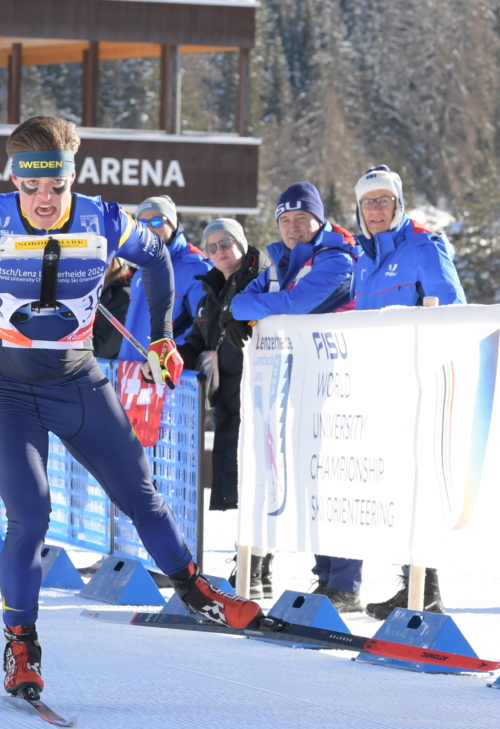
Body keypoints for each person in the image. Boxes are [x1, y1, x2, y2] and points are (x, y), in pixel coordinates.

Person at [0, 116, 263, 699]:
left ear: (72, 178)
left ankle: (196, 591)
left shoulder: (105, 219)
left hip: (78, 379)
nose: (44, 200)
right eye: (32, 187)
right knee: (31, 516)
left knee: (141, 494)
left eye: (56, 187)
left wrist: (163, 334)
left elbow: (159, 258)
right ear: (14, 178)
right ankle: (21, 647)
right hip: (8, 387)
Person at [227, 182, 361, 611]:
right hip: (299, 382)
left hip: (341, 383)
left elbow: (301, 303)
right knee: (310, 481)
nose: (293, 227)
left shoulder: (336, 257)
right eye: (285, 220)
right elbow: (239, 306)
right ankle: (326, 576)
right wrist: (273, 303)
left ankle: (345, 582)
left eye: (301, 219)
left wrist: (274, 304)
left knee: (337, 480)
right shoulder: (279, 260)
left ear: (318, 221)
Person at [341, 165, 467, 620]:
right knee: (396, 488)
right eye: (367, 202)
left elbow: (451, 309)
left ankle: (426, 589)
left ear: (399, 204)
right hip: (378, 385)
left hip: (419, 383)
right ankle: (411, 582)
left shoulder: (423, 247)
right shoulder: (363, 256)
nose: (375, 210)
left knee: (420, 486)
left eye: (383, 200)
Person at [178, 219, 271, 598]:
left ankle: (256, 567)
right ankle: (248, 566)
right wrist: (173, 359)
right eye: (212, 246)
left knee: (260, 485)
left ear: (242, 243)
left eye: (226, 243)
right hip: (227, 400)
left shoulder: (261, 279)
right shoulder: (210, 291)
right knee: (241, 487)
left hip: (258, 397)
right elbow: (198, 338)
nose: (219, 251)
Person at [118, 195, 210, 362]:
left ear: (173, 225)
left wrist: (167, 357)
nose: (149, 229)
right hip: (132, 372)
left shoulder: (195, 267)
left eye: (156, 222)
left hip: (167, 372)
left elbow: (203, 325)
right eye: (142, 224)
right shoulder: (142, 268)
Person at [91, 257, 135, 359]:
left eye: (99, 259)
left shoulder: (124, 295)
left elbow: (103, 350)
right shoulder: (96, 290)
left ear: (114, 261)